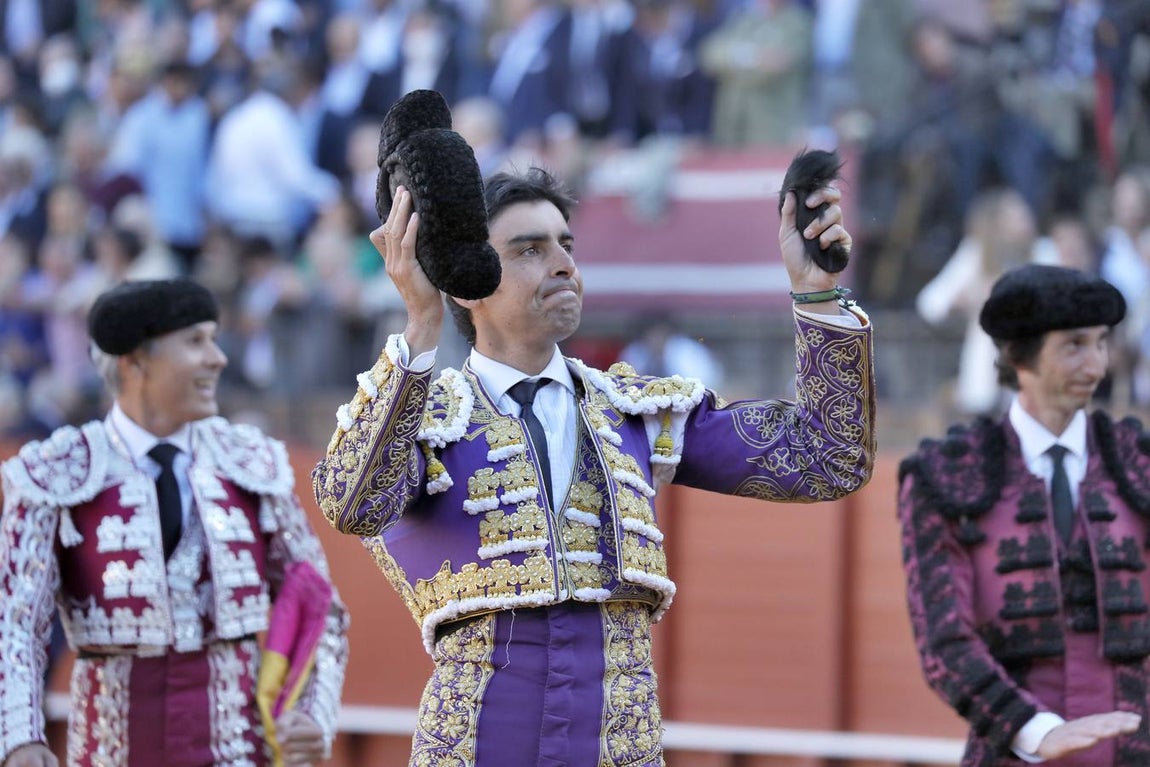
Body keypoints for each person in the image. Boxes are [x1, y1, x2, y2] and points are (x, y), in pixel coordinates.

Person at [312, 166, 875, 765]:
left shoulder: (638, 412)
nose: (564, 265)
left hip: (619, 744)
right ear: (468, 286)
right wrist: (420, 327)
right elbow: (351, 504)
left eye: (566, 245)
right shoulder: (423, 419)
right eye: (529, 249)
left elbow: (828, 457)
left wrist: (815, 294)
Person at [0, 278, 349, 767]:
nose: (217, 358)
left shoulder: (250, 463)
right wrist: (19, 736)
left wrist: (313, 712)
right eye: (195, 341)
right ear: (135, 360)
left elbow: (320, 604)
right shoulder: (56, 473)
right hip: (108, 754)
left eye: (213, 339)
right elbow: (15, 622)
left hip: (238, 752)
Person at [898, 263, 1150, 766]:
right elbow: (944, 641)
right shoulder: (946, 475)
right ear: (1019, 355)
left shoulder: (1138, 463)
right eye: (1074, 346)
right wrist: (1033, 730)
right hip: (1015, 753)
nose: (1096, 365)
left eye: (1101, 343)